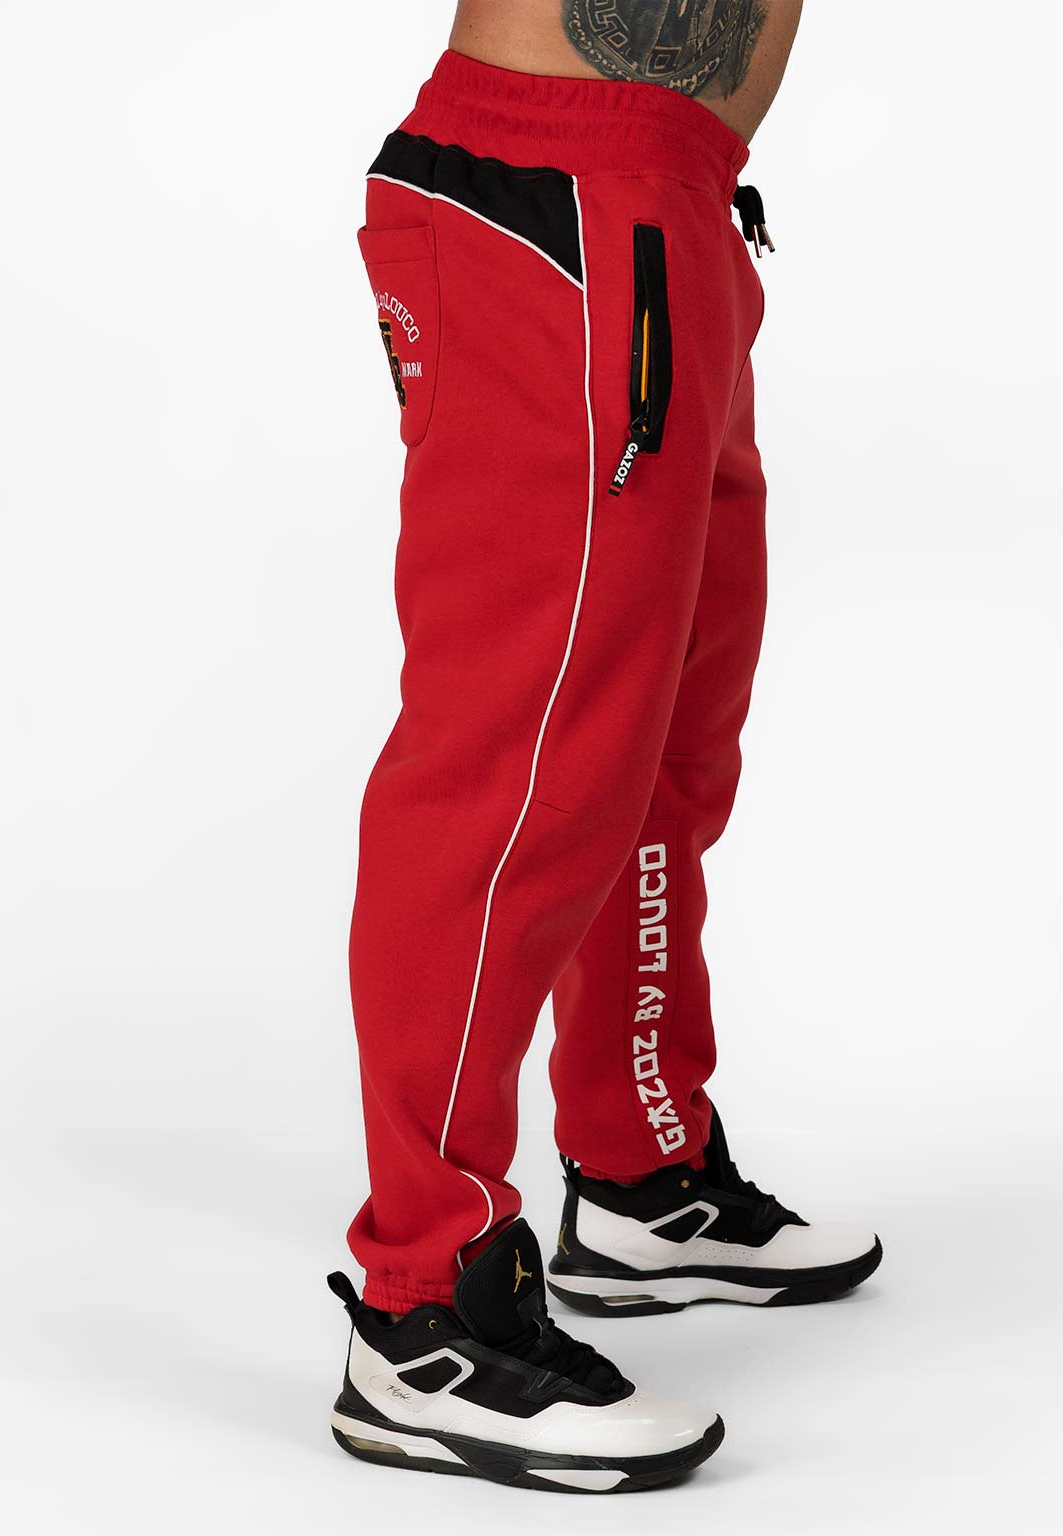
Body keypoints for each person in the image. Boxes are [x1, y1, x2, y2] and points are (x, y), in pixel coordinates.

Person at [326, 1, 880, 1492]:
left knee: (667, 743)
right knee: (515, 769)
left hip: (672, 203)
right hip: (557, 196)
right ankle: (425, 1311)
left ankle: (639, 1172)